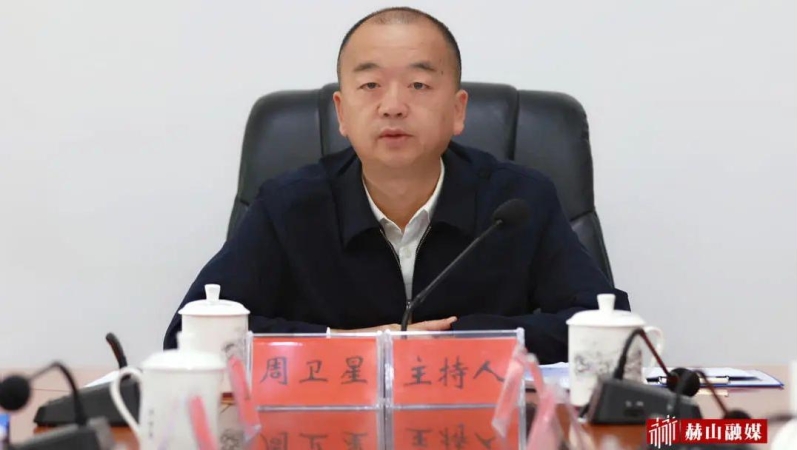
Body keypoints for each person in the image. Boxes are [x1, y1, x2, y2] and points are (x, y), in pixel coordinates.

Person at [162, 6, 629, 364]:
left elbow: (607, 327)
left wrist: (455, 340)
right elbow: (190, 336)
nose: (393, 106)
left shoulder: (517, 202)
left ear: (458, 110)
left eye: (419, 85)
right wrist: (352, 345)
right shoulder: (289, 205)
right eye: (370, 86)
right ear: (342, 113)